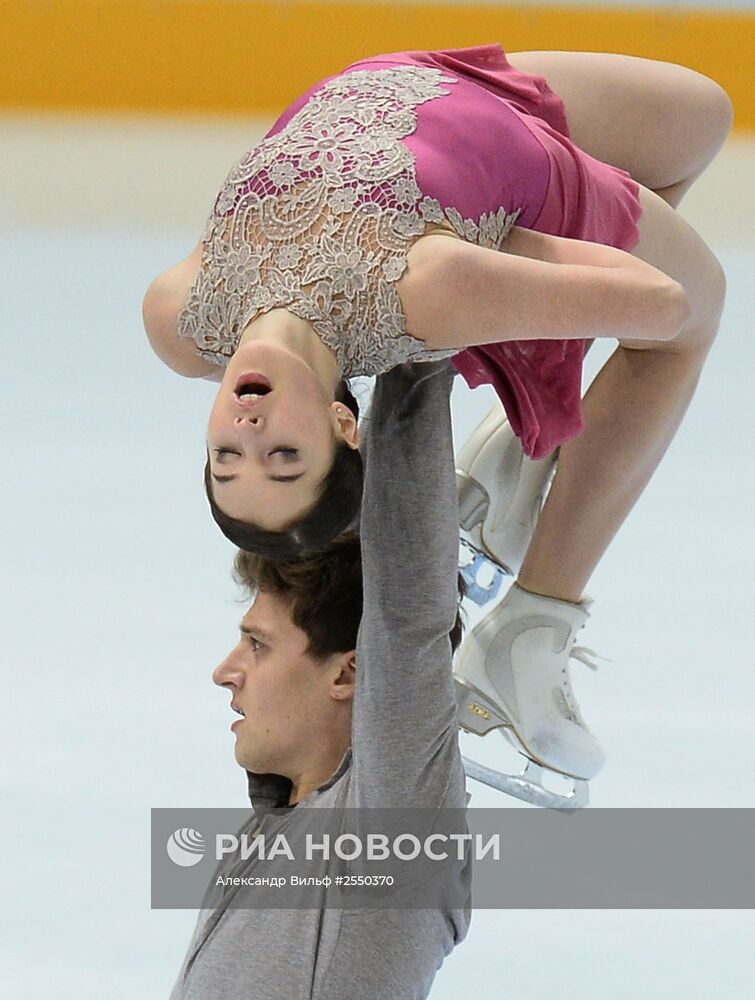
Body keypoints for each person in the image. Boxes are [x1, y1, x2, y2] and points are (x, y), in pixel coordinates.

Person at [142, 43, 730, 565]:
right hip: (537, 177)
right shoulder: (429, 293)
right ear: (343, 425)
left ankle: (535, 434)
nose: (248, 431)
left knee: (706, 116)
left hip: (428, 80)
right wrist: (506, 258)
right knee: (694, 320)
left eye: (226, 454)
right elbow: (663, 303)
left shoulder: (181, 324)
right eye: (283, 455)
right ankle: (540, 612)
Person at [169, 360, 472, 999]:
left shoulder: (388, 839)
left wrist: (410, 356)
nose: (226, 673)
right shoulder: (273, 831)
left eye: (257, 645)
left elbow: (407, 611)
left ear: (351, 672)